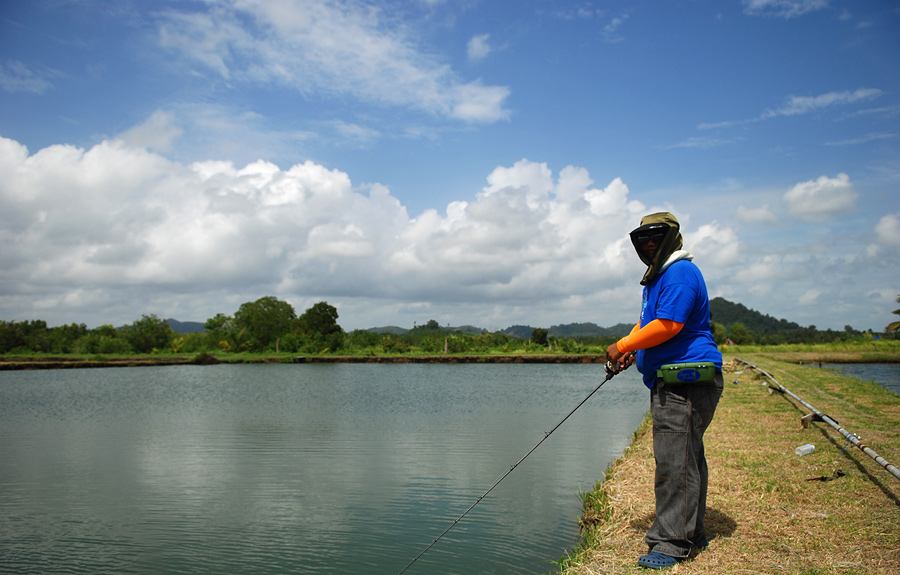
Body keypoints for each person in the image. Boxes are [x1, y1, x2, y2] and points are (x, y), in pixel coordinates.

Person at [605, 212, 723, 570]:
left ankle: (672, 542)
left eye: (656, 237)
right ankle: (692, 531)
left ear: (672, 237)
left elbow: (669, 324)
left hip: (684, 382)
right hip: (672, 379)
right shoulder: (659, 278)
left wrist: (623, 343)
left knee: (674, 462)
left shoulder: (680, 272)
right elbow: (648, 324)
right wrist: (632, 350)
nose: (649, 244)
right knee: (687, 457)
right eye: (643, 239)